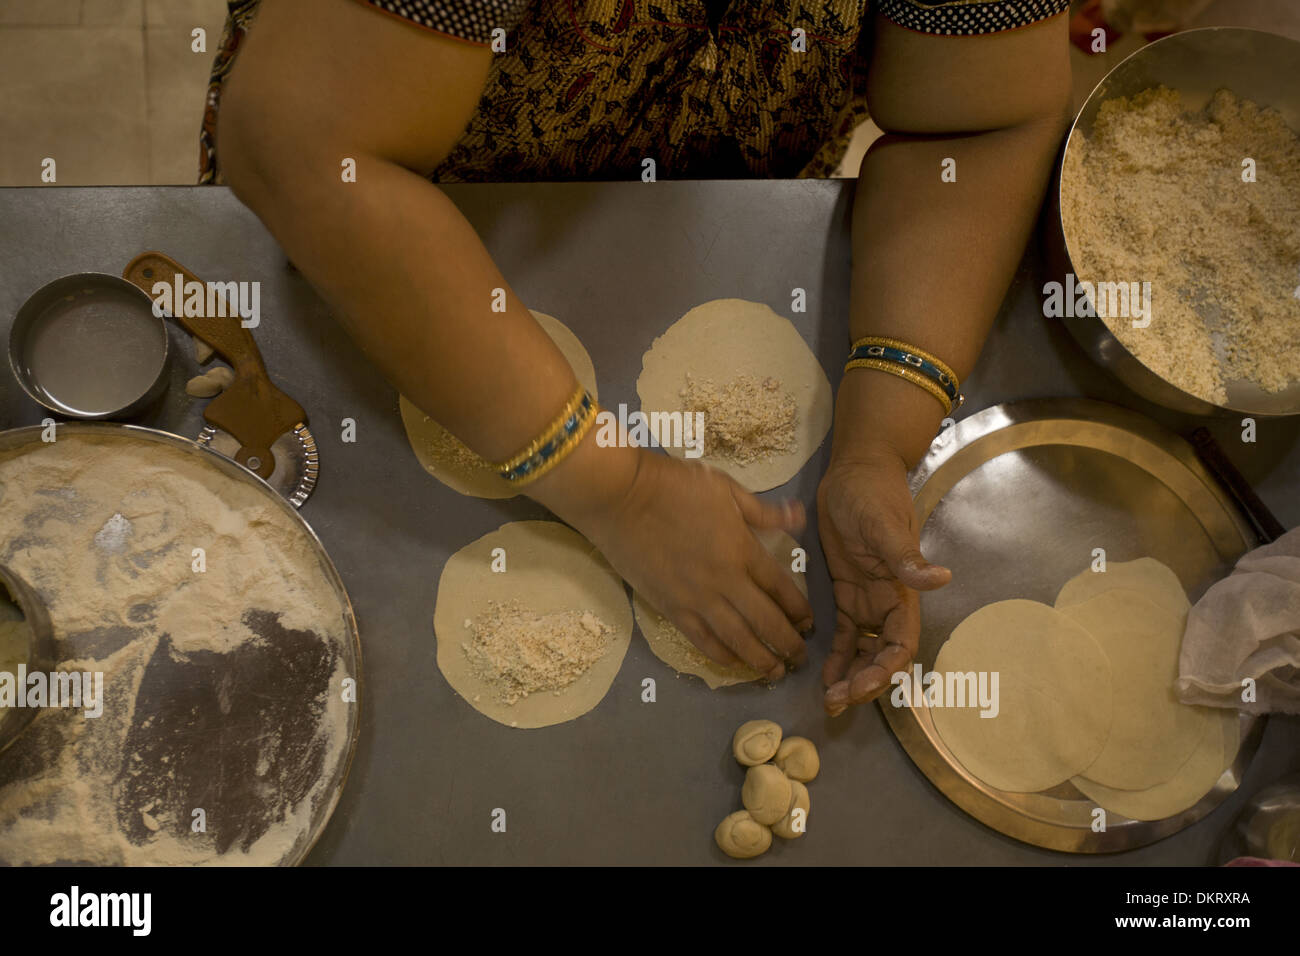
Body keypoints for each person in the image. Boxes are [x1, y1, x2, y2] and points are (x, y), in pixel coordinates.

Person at [202, 0, 1073, 716]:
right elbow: (308, 150)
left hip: (718, 199)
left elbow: (981, 121)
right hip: (393, 221)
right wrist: (616, 488)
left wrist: (882, 435)